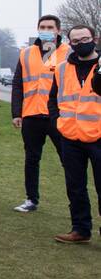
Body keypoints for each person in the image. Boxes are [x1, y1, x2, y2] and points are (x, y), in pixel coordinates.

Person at [11, 14, 69, 212]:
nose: (46, 30)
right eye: (42, 27)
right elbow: (18, 84)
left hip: (58, 116)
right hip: (31, 114)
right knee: (32, 159)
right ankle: (31, 199)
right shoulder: (26, 53)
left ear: (58, 30)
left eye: (50, 27)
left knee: (68, 160)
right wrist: (16, 112)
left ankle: (74, 199)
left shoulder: (68, 52)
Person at [52, 24, 101, 244]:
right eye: (75, 41)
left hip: (98, 137)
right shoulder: (62, 68)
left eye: (84, 39)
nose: (80, 44)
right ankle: (80, 229)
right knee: (75, 186)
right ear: (69, 43)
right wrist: (57, 122)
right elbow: (53, 99)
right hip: (70, 137)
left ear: (94, 39)